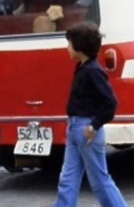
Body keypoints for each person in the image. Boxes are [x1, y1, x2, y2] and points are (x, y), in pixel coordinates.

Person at [53, 21, 127, 207]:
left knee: (99, 180)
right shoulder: (83, 68)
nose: (67, 48)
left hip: (86, 129)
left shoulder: (93, 71)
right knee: (67, 179)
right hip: (76, 128)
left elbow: (111, 102)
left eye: (69, 44)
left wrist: (94, 126)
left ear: (80, 46)